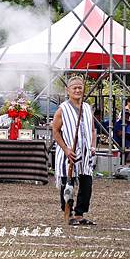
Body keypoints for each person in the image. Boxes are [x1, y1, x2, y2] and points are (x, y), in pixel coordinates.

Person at [52, 75, 96, 226]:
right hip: (68, 154)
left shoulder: (87, 107)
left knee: (86, 184)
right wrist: (66, 149)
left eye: (80, 87)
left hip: (85, 154)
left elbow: (92, 130)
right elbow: (55, 132)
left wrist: (92, 146)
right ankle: (68, 213)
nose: (78, 90)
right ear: (68, 90)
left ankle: (79, 214)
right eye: (74, 88)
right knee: (67, 184)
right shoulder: (62, 109)